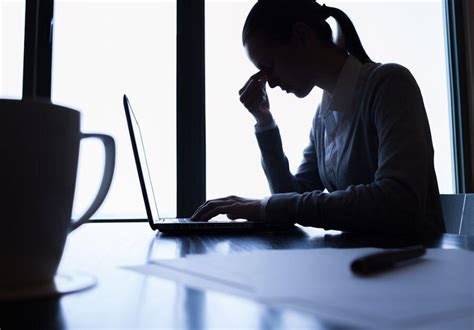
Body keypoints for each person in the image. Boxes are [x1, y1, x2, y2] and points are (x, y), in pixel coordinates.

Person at [191, 0, 446, 235]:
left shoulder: (389, 84)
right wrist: (264, 122)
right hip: (360, 267)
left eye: (268, 66)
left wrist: (265, 207)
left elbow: (398, 201)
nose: (267, 81)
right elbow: (289, 198)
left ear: (301, 36)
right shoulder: (323, 117)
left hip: (410, 268)